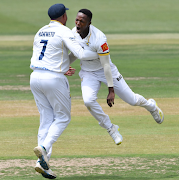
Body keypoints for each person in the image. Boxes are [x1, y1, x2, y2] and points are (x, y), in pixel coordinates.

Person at [70, 9, 164, 146]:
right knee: (88, 101)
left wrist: (111, 90)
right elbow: (74, 53)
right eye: (77, 20)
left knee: (132, 100)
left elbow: (106, 65)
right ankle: (111, 128)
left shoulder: (99, 38)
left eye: (81, 21)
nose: (78, 23)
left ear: (89, 23)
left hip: (106, 71)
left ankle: (151, 106)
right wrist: (63, 67)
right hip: (88, 73)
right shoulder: (73, 33)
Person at [30, 4, 98, 179]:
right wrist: (100, 52)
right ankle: (44, 149)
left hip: (35, 77)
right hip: (53, 79)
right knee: (63, 118)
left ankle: (42, 163)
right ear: (64, 17)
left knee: (46, 117)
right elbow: (81, 54)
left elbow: (49, 55)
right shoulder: (64, 31)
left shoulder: (40, 31)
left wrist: (63, 66)